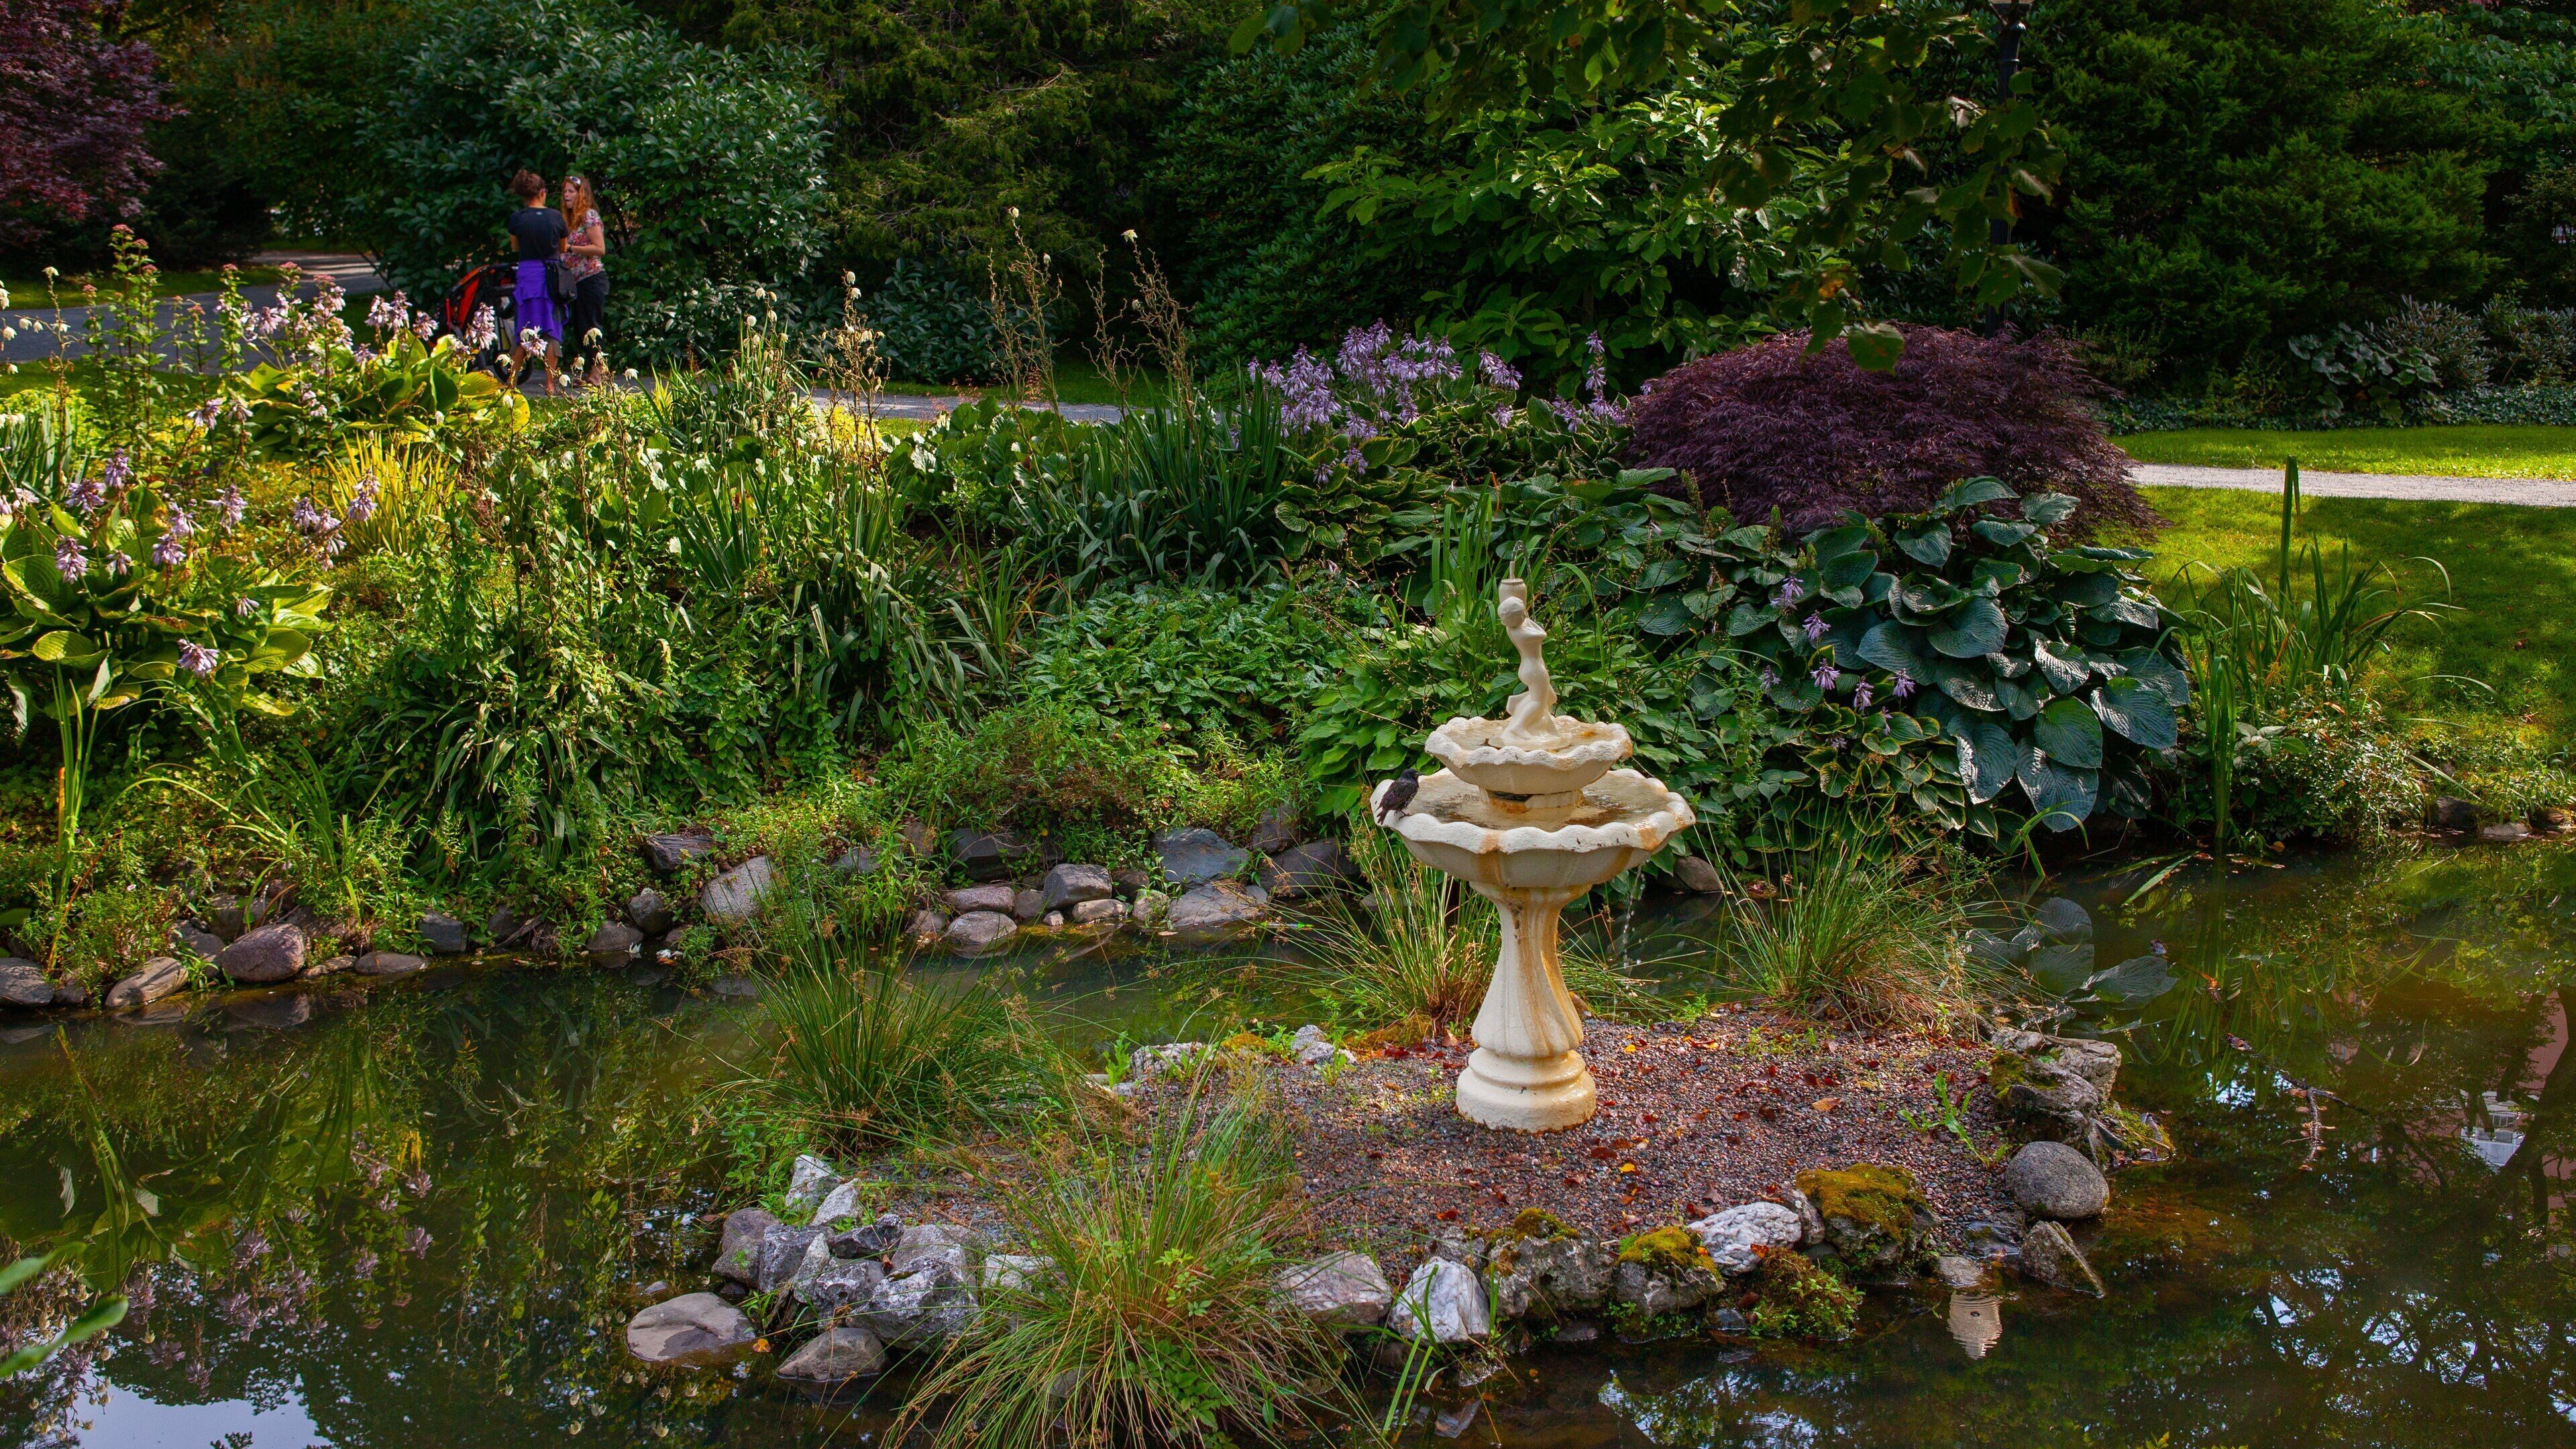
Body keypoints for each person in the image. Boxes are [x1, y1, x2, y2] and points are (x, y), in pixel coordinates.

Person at [504, 169, 568, 396]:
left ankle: (511, 382)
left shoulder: (518, 219)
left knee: (523, 328)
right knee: (550, 330)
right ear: (543, 192)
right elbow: (563, 248)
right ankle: (550, 384)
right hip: (550, 276)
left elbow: (515, 247)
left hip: (527, 275)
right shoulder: (556, 217)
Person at [559, 174, 609, 384]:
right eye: (565, 191)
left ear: (581, 194)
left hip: (592, 278)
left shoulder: (589, 216)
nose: (566, 195)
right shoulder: (568, 219)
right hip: (575, 282)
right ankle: (591, 371)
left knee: (592, 326)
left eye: (571, 191)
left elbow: (600, 249)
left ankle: (599, 372)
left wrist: (570, 248)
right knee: (581, 328)